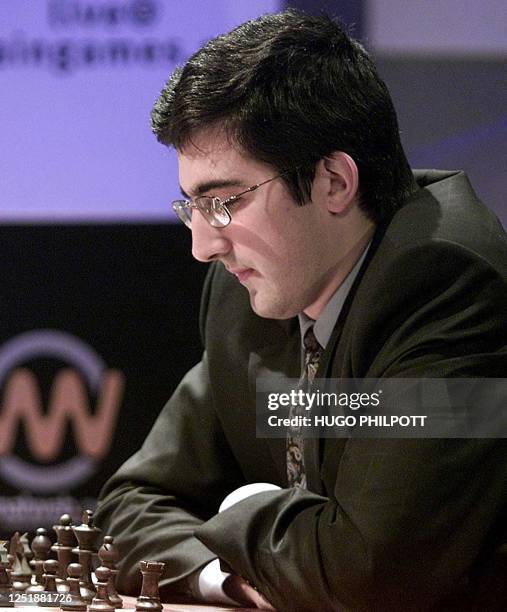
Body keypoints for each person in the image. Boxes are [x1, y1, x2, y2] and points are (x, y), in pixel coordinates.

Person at [94, 10, 507, 611]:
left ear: (334, 182)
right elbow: (131, 504)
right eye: (193, 207)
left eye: (225, 202)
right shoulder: (246, 295)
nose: (203, 245)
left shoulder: (448, 289)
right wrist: (226, 575)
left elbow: (370, 573)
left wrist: (242, 507)